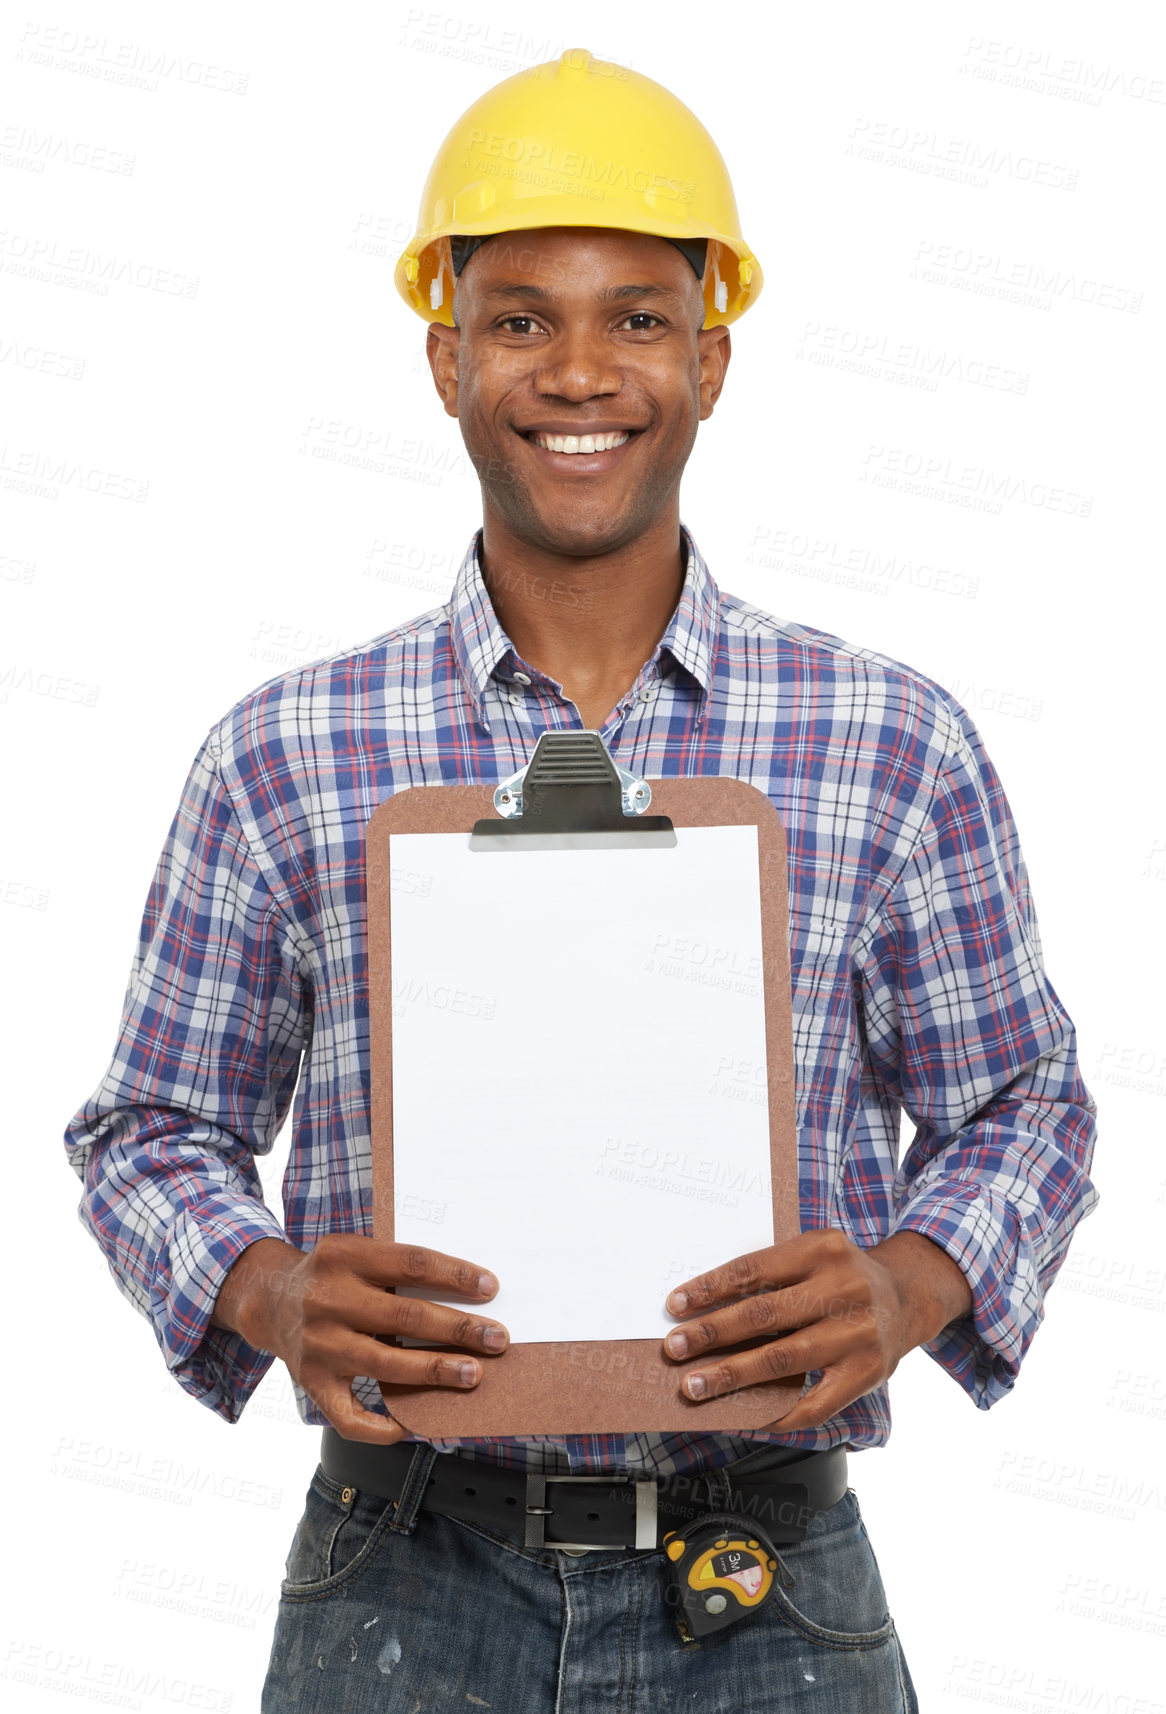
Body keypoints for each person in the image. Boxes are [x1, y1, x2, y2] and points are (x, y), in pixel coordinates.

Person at [65, 48, 1098, 1712]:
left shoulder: (888, 737)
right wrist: (269, 1286)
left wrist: (909, 1282)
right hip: (400, 1573)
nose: (578, 370)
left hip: (767, 1584)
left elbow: (1027, 1104)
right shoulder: (283, 754)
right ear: (444, 356)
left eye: (635, 315)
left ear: (710, 355)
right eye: (520, 315)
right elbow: (147, 1131)